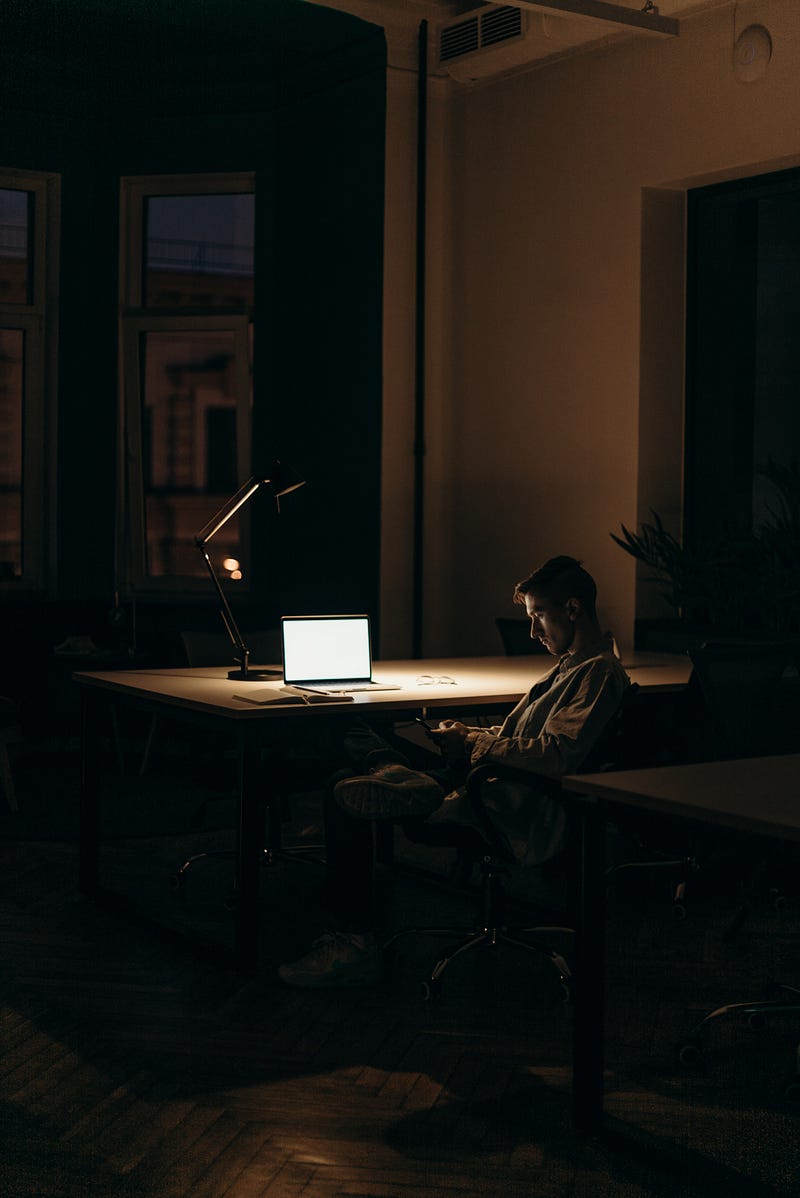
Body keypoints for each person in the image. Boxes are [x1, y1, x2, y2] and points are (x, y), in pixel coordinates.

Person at [278, 555, 630, 988]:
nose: (533, 630)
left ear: (572, 609)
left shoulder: (598, 674)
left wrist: (475, 744)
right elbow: (535, 737)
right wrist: (472, 735)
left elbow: (555, 754)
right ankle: (394, 771)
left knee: (339, 788)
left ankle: (354, 940)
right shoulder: (572, 667)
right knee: (346, 721)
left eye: (539, 615)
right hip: (488, 776)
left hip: (502, 799)